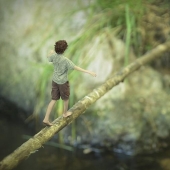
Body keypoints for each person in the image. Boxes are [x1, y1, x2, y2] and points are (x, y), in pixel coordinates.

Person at [43, 40, 96, 126]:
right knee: (66, 98)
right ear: (64, 50)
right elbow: (76, 67)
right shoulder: (65, 60)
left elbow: (48, 58)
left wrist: (50, 53)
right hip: (62, 82)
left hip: (55, 81)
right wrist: (89, 72)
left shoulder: (54, 56)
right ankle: (65, 113)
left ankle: (46, 118)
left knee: (53, 100)